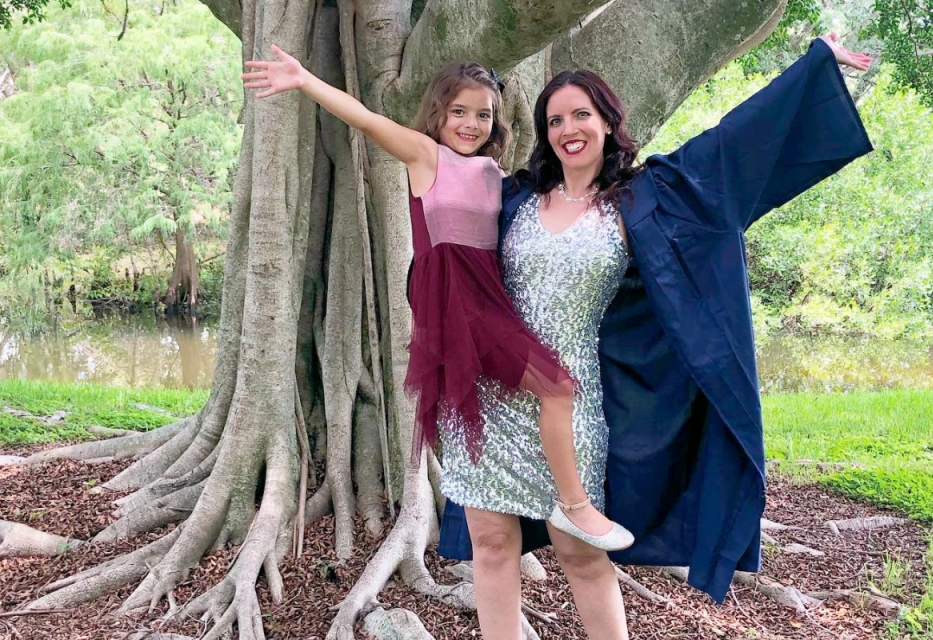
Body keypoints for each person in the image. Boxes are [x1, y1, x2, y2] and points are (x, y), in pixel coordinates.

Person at [437, 33, 873, 638]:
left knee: (581, 551)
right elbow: (438, 200)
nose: (568, 128)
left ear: (609, 122)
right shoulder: (513, 196)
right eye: (555, 119)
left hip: (570, 395)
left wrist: (814, 66)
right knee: (490, 543)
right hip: (493, 393)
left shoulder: (643, 198)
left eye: (581, 115)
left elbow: (730, 146)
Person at [240, 49, 633, 550]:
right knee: (557, 387)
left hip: (495, 299)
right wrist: (304, 80)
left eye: (483, 114)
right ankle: (576, 507)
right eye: (459, 112)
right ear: (438, 114)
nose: (471, 124)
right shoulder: (426, 155)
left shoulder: (497, 173)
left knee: (548, 392)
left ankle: (555, 503)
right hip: (458, 307)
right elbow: (365, 117)